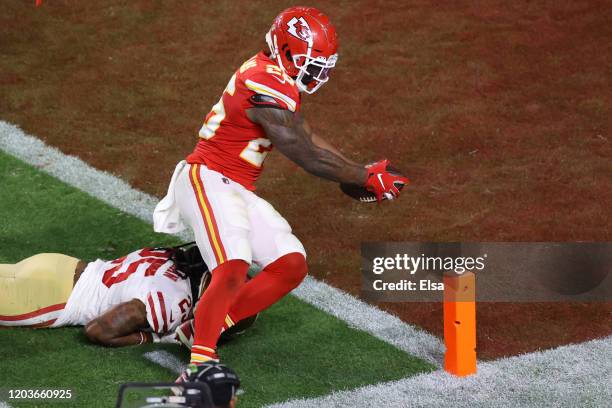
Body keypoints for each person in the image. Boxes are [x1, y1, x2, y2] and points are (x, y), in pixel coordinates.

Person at [153, 6, 408, 369]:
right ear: (288, 51)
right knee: (233, 266)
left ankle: (201, 330)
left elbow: (308, 136)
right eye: (313, 62)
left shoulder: (277, 77)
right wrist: (362, 178)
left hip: (235, 187)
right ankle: (200, 365)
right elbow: (305, 154)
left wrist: (356, 171)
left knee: (290, 264)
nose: (318, 73)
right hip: (206, 178)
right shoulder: (264, 80)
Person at [0, 243, 204, 347]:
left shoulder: (168, 254)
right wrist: (154, 338)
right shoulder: (174, 299)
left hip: (60, 265)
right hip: (51, 297)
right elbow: (97, 330)